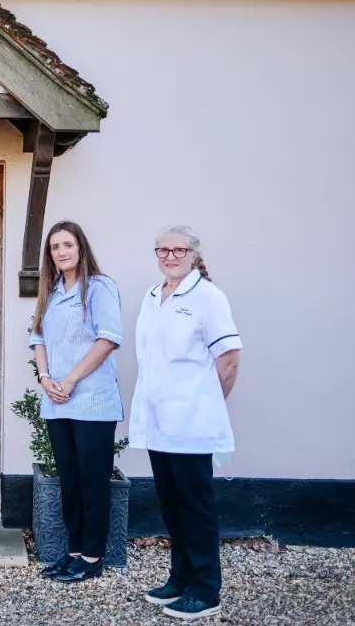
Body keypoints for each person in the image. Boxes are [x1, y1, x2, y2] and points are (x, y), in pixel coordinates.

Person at [130, 225, 242, 621]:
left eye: (179, 250)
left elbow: (228, 360)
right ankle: (179, 578)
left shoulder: (208, 297)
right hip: (159, 424)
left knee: (195, 506)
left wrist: (206, 404)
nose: (170, 256)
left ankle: (206, 589)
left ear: (193, 254)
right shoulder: (152, 295)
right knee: (170, 503)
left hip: (191, 425)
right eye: (163, 250)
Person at [29, 221, 123, 584]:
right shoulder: (50, 293)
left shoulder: (99, 287)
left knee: (92, 482)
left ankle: (92, 557)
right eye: (54, 247)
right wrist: (45, 378)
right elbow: (37, 338)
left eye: (67, 244)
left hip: (92, 402)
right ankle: (72, 554)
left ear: (81, 247)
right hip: (57, 401)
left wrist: (69, 379)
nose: (61, 251)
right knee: (70, 481)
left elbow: (108, 339)